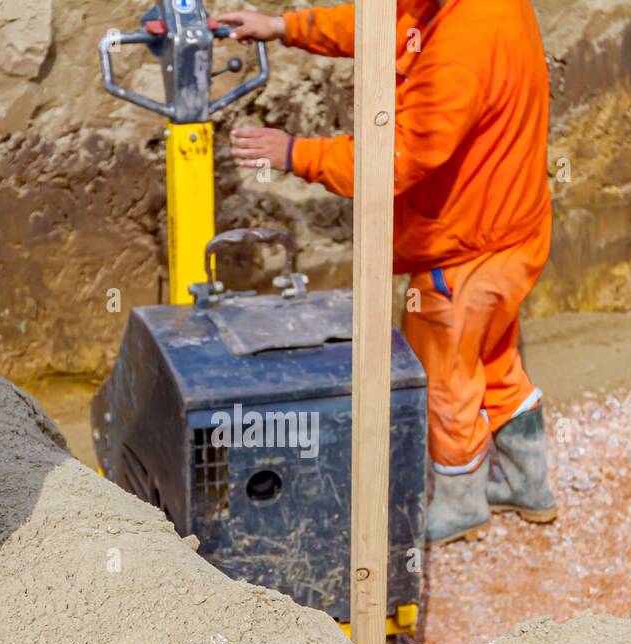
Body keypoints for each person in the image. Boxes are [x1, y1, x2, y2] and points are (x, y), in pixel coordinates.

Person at [219, 0, 558, 545]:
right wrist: (284, 27)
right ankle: (529, 482)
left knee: (445, 375)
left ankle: (460, 500)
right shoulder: (472, 9)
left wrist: (295, 153)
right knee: (491, 356)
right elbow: (385, 24)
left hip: (465, 247)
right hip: (511, 228)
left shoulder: (459, 53)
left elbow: (395, 158)